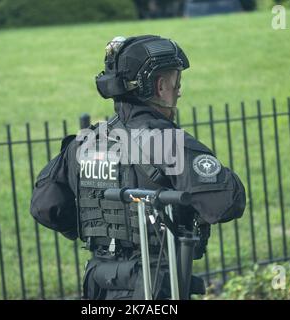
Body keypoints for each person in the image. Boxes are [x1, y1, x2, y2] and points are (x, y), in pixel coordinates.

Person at [30, 35, 246, 300]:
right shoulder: (167, 143)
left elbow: (45, 207)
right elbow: (227, 202)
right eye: (176, 81)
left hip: (99, 283)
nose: (179, 90)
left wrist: (90, 228)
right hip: (157, 285)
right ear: (159, 85)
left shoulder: (84, 144)